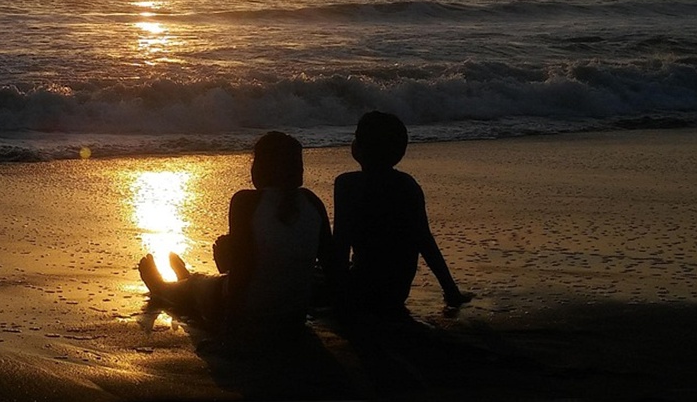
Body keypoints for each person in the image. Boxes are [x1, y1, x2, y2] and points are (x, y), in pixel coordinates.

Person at [138, 131, 335, 338]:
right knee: (208, 282)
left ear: (258, 168)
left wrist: (230, 330)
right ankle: (189, 280)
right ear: (299, 170)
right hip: (294, 316)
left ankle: (164, 285)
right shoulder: (313, 202)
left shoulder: (245, 202)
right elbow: (332, 265)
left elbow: (243, 270)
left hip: (249, 313)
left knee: (194, 288)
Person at [333, 111, 472, 319]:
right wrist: (451, 291)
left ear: (359, 149)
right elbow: (425, 240)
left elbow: (340, 245)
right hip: (396, 292)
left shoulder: (346, 185)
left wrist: (338, 295)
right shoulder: (407, 185)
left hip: (359, 291)